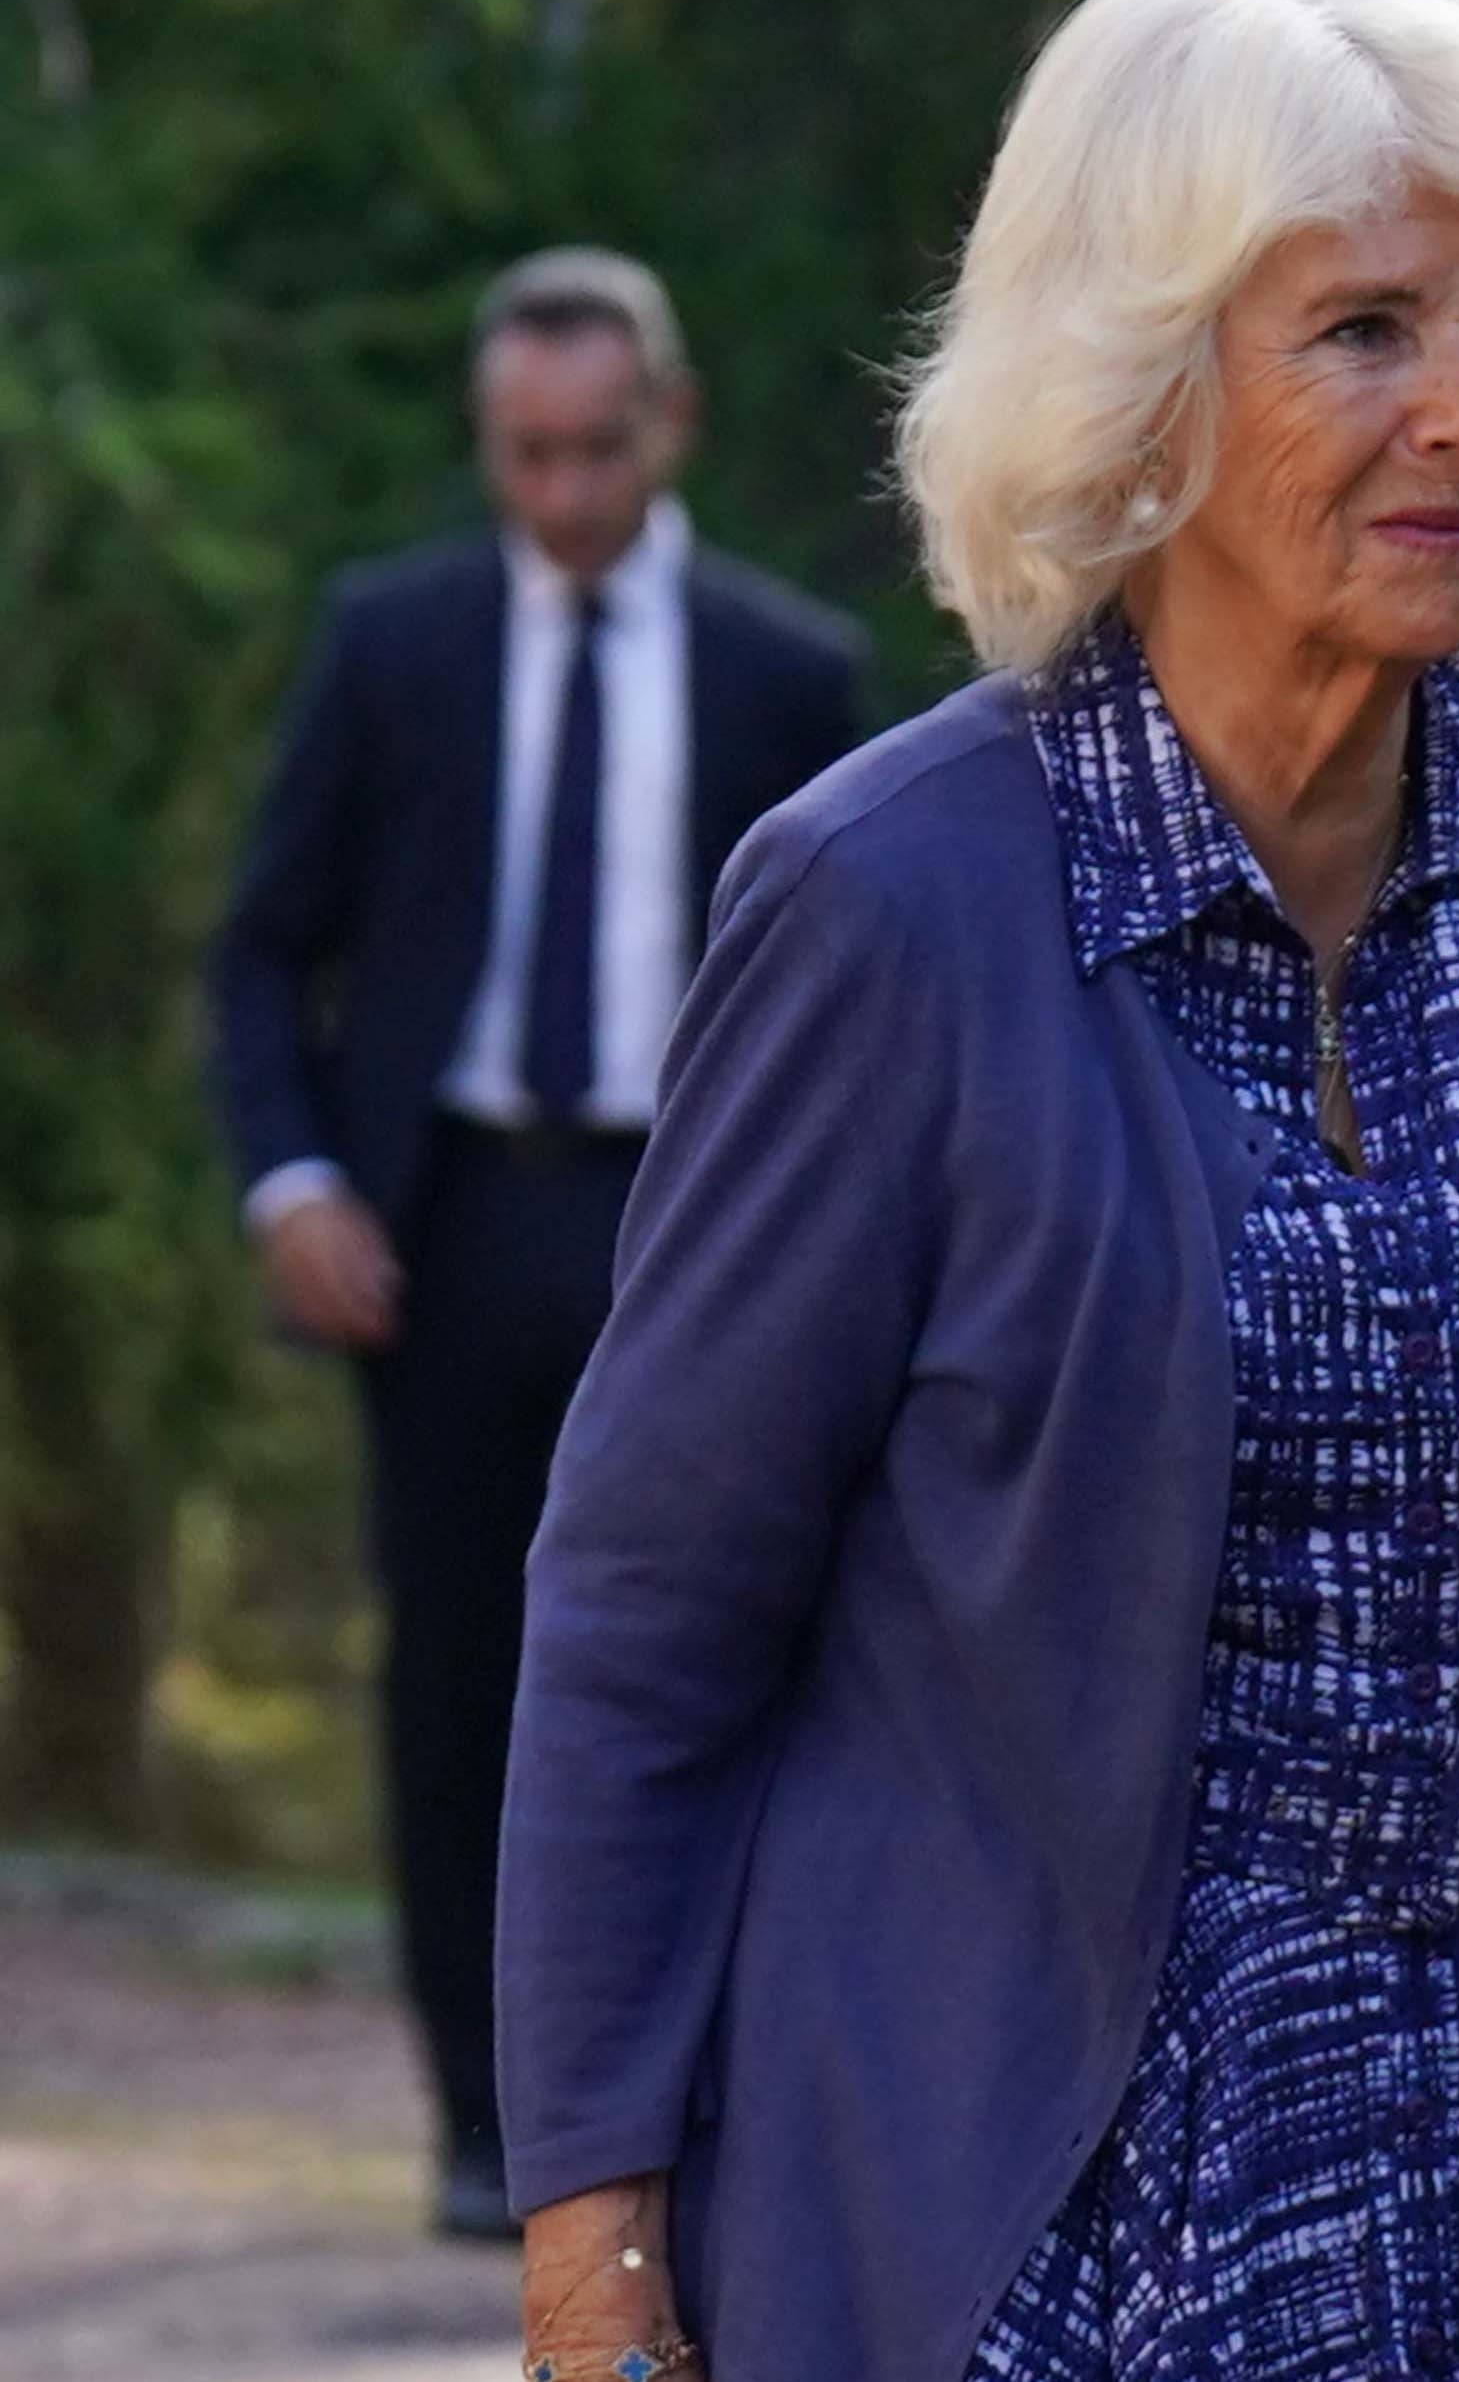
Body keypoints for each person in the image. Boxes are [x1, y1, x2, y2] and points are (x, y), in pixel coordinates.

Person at [494, 0, 1459, 2382]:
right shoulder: (890, 907)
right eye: (1366, 329)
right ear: (1146, 381)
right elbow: (647, 1616)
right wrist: (592, 2237)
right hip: (1033, 2229)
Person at [204, 248, 863, 2241]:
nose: (561, 495)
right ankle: (487, 2121)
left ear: (665, 425)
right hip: (450, 1220)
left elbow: (855, 984)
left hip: (695, 1228)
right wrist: (294, 1182)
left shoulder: (786, 669)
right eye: (523, 456)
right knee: (458, 1670)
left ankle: (693, 2084)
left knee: (727, 1650)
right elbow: (258, 949)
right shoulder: (392, 644)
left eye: (594, 449)